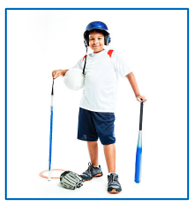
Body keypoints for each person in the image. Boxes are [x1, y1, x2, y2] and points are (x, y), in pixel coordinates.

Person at [52, 21, 147, 194]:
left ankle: (112, 175)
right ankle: (95, 167)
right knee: (90, 139)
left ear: (106, 39)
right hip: (86, 107)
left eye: (99, 38)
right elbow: (74, 72)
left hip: (105, 109)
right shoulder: (85, 59)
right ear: (86, 41)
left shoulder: (112, 54)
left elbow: (129, 73)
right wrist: (61, 70)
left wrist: (137, 94)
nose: (95, 42)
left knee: (108, 141)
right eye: (91, 39)